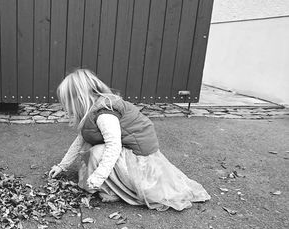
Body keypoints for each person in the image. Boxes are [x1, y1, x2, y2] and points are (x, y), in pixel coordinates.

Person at [48, 69, 210, 211]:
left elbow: (113, 147)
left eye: (66, 103)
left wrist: (98, 177)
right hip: (130, 152)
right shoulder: (92, 111)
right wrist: (62, 166)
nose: (65, 108)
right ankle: (110, 183)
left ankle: (113, 190)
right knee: (91, 150)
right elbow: (80, 140)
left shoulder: (104, 113)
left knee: (97, 152)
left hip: (139, 159)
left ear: (79, 98)